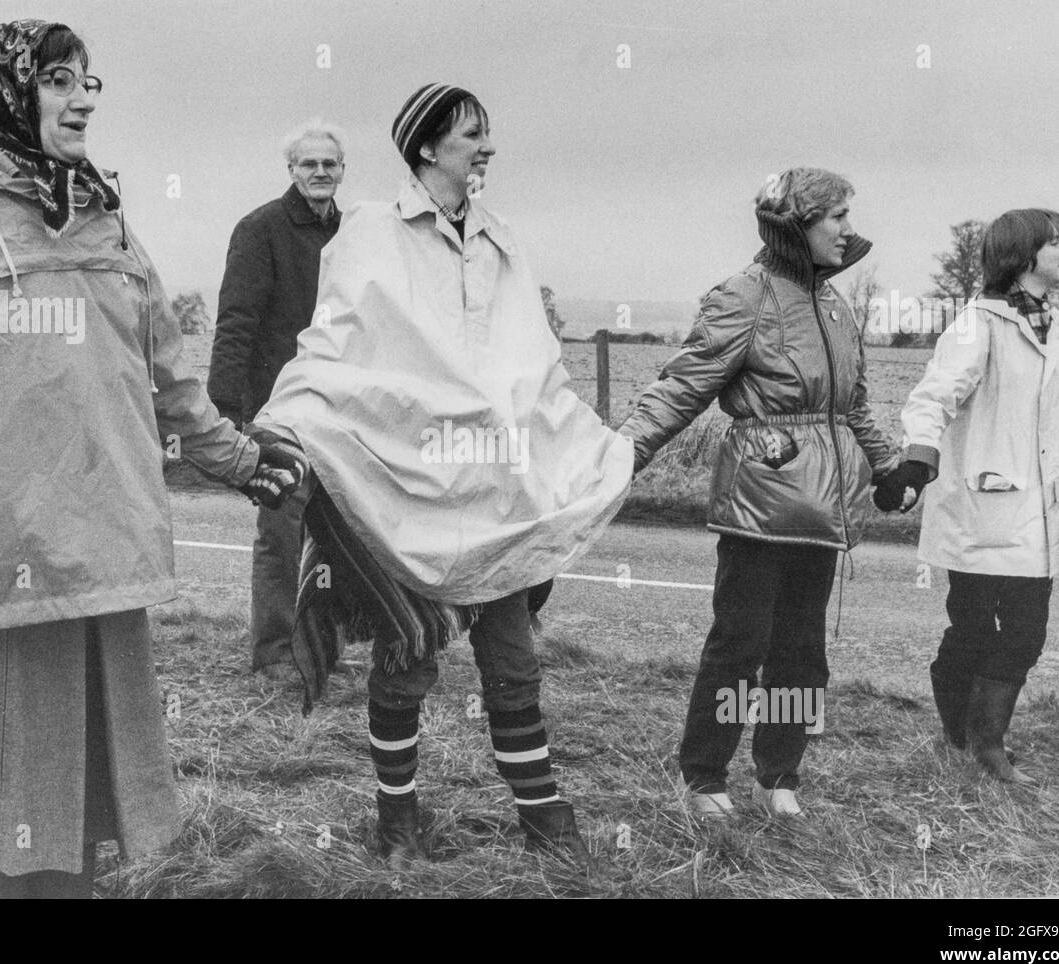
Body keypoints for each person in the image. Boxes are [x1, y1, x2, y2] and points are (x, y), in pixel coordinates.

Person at [0, 20, 302, 898]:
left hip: (103, 562)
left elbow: (168, 375)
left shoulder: (104, 217)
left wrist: (236, 459)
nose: (84, 96)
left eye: (89, 80)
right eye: (57, 80)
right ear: (4, 92)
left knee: (79, 826)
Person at [255, 84, 633, 871]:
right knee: (409, 655)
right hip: (412, 485)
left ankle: (542, 816)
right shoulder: (371, 233)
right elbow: (342, 340)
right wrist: (292, 418)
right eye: (471, 135)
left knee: (512, 653)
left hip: (499, 485)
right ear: (428, 148)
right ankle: (396, 816)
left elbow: (531, 355)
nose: (486, 148)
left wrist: (568, 435)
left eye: (487, 134)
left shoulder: (502, 241)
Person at [619, 167, 899, 818]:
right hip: (760, 500)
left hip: (821, 508)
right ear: (797, 224)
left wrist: (888, 466)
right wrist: (621, 452)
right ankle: (704, 777)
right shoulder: (743, 296)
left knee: (802, 652)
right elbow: (681, 385)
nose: (849, 228)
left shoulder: (835, 303)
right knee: (740, 645)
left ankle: (779, 777)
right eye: (836, 215)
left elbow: (852, 405)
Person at [892, 208, 1059, 783]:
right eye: (1054, 244)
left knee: (1026, 633)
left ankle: (986, 739)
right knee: (972, 629)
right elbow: (933, 397)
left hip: (1039, 514)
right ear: (1023, 257)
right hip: (979, 506)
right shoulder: (979, 324)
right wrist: (919, 453)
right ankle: (965, 735)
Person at [207, 120, 344, 673]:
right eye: (308, 163)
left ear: (342, 171)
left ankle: (321, 643)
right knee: (281, 532)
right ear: (291, 170)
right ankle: (274, 653)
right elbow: (236, 322)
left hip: (342, 406)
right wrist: (224, 410)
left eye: (329, 163)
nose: (319, 172)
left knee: (340, 537)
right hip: (278, 405)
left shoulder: (354, 234)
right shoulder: (260, 229)